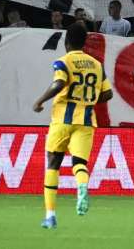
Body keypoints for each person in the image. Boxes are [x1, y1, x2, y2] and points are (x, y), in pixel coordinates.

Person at [31, 21, 113, 229]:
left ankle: (50, 215)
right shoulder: (97, 65)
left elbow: (59, 83)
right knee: (79, 163)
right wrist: (89, 99)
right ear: (85, 42)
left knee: (53, 163)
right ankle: (82, 185)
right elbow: (108, 93)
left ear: (67, 42)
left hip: (62, 121)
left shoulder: (63, 62)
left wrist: (40, 100)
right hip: (86, 121)